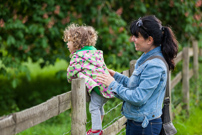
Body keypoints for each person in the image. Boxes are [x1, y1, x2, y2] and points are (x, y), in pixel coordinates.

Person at [97, 15, 178, 135]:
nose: (132, 39)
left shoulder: (154, 65)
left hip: (145, 127)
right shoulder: (148, 57)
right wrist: (115, 76)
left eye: (136, 36)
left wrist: (113, 84)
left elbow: (138, 97)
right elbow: (135, 85)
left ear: (149, 40)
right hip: (139, 123)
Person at [63, 23, 114, 135]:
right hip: (106, 85)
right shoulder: (95, 53)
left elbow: (71, 72)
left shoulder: (78, 56)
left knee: (94, 107)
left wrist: (70, 77)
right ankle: (98, 126)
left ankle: (96, 131)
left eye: (69, 41)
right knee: (99, 106)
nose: (67, 44)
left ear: (76, 43)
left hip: (98, 87)